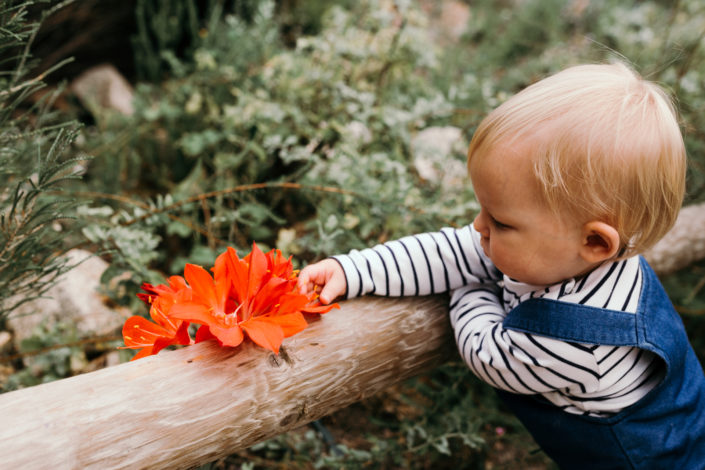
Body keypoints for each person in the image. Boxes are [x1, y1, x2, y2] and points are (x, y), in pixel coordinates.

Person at [297, 63, 705, 468]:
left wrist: (466, 286)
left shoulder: (578, 342)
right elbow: (453, 251)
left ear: (596, 242)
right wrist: (352, 270)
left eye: (500, 222)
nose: (478, 226)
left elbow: (485, 349)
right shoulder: (565, 253)